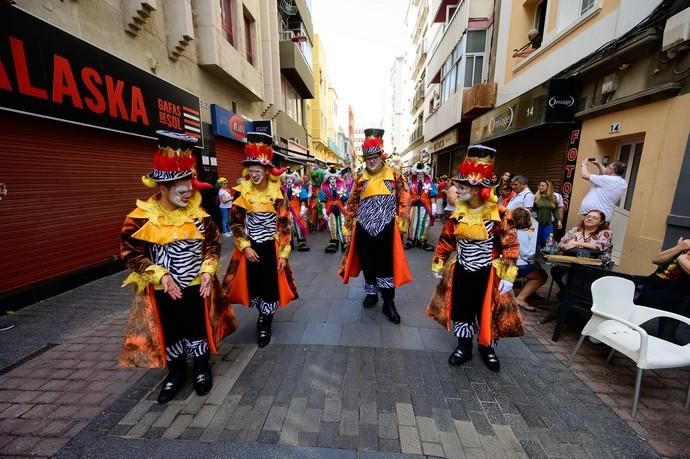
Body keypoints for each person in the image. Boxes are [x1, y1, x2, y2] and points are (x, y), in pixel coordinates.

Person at [119, 131, 238, 404]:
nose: (188, 195)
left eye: (190, 189)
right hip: (163, 289)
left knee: (197, 326)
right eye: (181, 190)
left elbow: (212, 244)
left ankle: (200, 366)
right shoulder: (139, 218)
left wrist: (208, 269)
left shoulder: (200, 216)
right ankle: (175, 372)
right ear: (162, 189)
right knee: (170, 329)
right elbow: (129, 252)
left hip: (196, 286)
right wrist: (160, 274)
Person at [426, 145, 523, 372]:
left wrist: (509, 273)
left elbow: (510, 243)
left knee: (487, 310)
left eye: (462, 186)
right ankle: (464, 346)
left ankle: (487, 347)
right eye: (457, 185)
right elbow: (446, 239)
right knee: (461, 308)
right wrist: (439, 260)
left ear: (479, 188)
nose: (456, 189)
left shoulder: (499, 213)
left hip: (488, 271)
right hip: (461, 269)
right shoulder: (457, 213)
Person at [223, 133, 298, 348]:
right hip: (250, 246)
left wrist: (284, 253)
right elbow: (236, 223)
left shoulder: (278, 193)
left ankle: (266, 321)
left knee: (270, 286)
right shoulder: (241, 193)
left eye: (258, 170)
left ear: (266, 171)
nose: (254, 174)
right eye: (251, 170)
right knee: (253, 284)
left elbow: (285, 224)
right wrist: (245, 246)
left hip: (271, 247)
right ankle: (261, 314)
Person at [338, 128, 412, 324]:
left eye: (374, 156)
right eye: (368, 157)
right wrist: (348, 228)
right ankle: (371, 293)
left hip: (387, 228)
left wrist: (402, 225)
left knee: (386, 266)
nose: (371, 160)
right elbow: (352, 203)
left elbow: (404, 199)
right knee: (368, 264)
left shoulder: (395, 175)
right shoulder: (360, 177)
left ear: (381, 155)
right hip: (363, 229)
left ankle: (389, 302)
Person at [636, 237, 690, 340]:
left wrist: (680, 258)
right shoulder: (685, 245)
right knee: (633, 319)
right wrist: (678, 248)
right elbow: (655, 259)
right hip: (653, 286)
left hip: (677, 295)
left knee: (665, 337)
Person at [551, 210, 613, 292]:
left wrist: (575, 243)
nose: (590, 219)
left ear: (601, 222)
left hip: (593, 266)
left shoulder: (606, 233)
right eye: (588, 216)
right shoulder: (575, 230)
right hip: (571, 263)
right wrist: (566, 246)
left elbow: (598, 246)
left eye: (595, 218)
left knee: (575, 277)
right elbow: (561, 244)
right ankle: (567, 293)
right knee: (556, 270)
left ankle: (569, 295)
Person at [511, 208, 547, 312]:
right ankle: (520, 298)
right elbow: (527, 254)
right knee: (541, 277)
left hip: (512, 263)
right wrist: (536, 260)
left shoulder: (511, 231)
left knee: (539, 272)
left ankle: (529, 293)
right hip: (519, 265)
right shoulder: (522, 234)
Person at [405, 162, 438, 251]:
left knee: (424, 224)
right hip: (413, 206)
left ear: (425, 173)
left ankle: (422, 241)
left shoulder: (430, 183)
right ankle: (410, 240)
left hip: (425, 207)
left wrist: (434, 206)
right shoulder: (410, 183)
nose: (420, 175)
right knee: (412, 224)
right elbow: (406, 195)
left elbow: (432, 195)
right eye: (418, 174)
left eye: (422, 173)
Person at [319, 166, 349, 253]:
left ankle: (344, 242)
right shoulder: (324, 188)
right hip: (330, 209)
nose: (332, 180)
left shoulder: (341, 186)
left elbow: (345, 198)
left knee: (342, 225)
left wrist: (346, 207)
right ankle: (334, 243)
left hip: (340, 208)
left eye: (334, 178)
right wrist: (324, 211)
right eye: (331, 178)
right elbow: (323, 200)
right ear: (328, 179)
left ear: (336, 179)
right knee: (332, 225)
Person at [282, 169, 310, 252]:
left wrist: (303, 208)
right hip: (285, 209)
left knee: (298, 224)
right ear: (285, 180)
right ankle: (289, 242)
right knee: (286, 225)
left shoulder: (299, 187)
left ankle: (301, 241)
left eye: (291, 179)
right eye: (287, 179)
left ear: (294, 179)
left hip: (296, 208)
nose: (289, 180)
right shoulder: (282, 188)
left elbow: (303, 199)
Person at [533, 180, 562, 249]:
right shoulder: (537, 197)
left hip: (549, 223)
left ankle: (545, 256)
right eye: (539, 185)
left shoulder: (553, 197)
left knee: (547, 241)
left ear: (548, 187)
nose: (540, 187)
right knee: (536, 242)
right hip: (537, 223)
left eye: (543, 186)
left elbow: (555, 210)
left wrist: (559, 220)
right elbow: (531, 210)